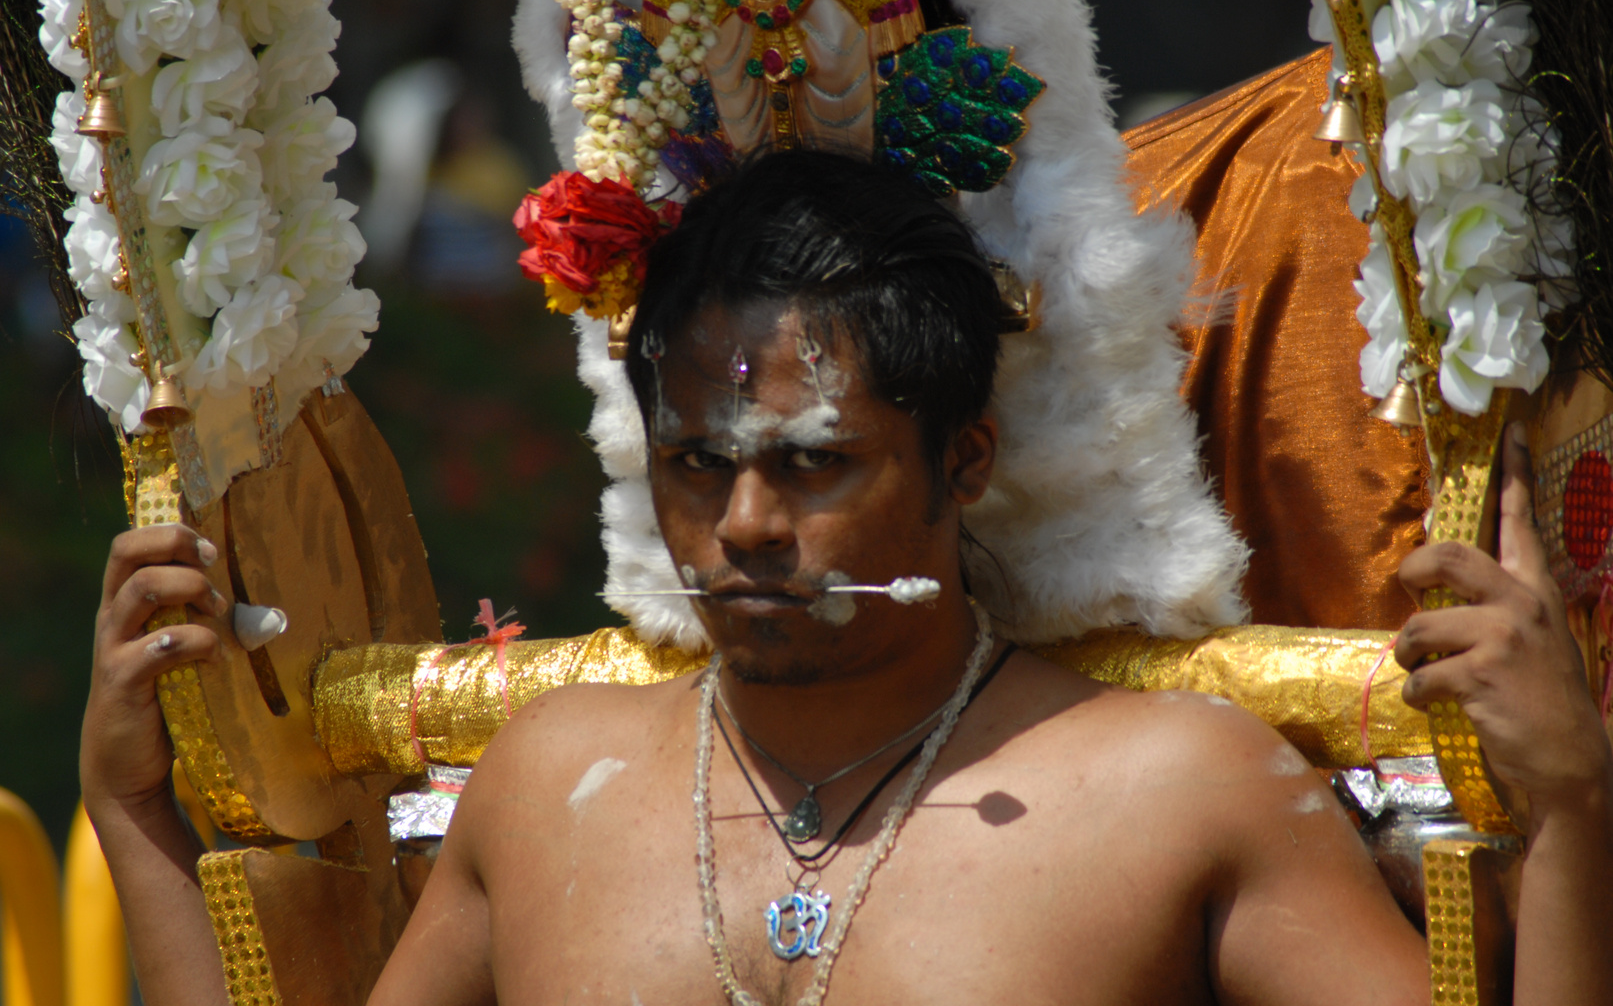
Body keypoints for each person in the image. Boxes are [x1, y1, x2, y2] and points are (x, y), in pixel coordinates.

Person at [84, 151, 1613, 1005]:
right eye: (699, 464)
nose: (745, 525)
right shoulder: (548, 784)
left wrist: (1568, 819)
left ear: (959, 465)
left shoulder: (1175, 788)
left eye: (812, 465)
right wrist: (137, 819)